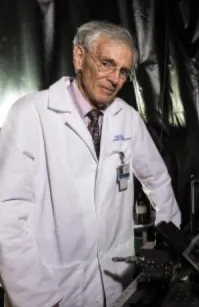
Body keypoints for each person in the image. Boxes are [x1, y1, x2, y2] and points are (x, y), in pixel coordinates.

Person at [0, 21, 181, 307]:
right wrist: (38, 298)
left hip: (115, 283)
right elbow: (6, 216)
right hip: (53, 288)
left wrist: (169, 245)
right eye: (107, 64)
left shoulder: (127, 117)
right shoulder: (30, 114)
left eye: (123, 71)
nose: (115, 79)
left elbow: (158, 179)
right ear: (79, 57)